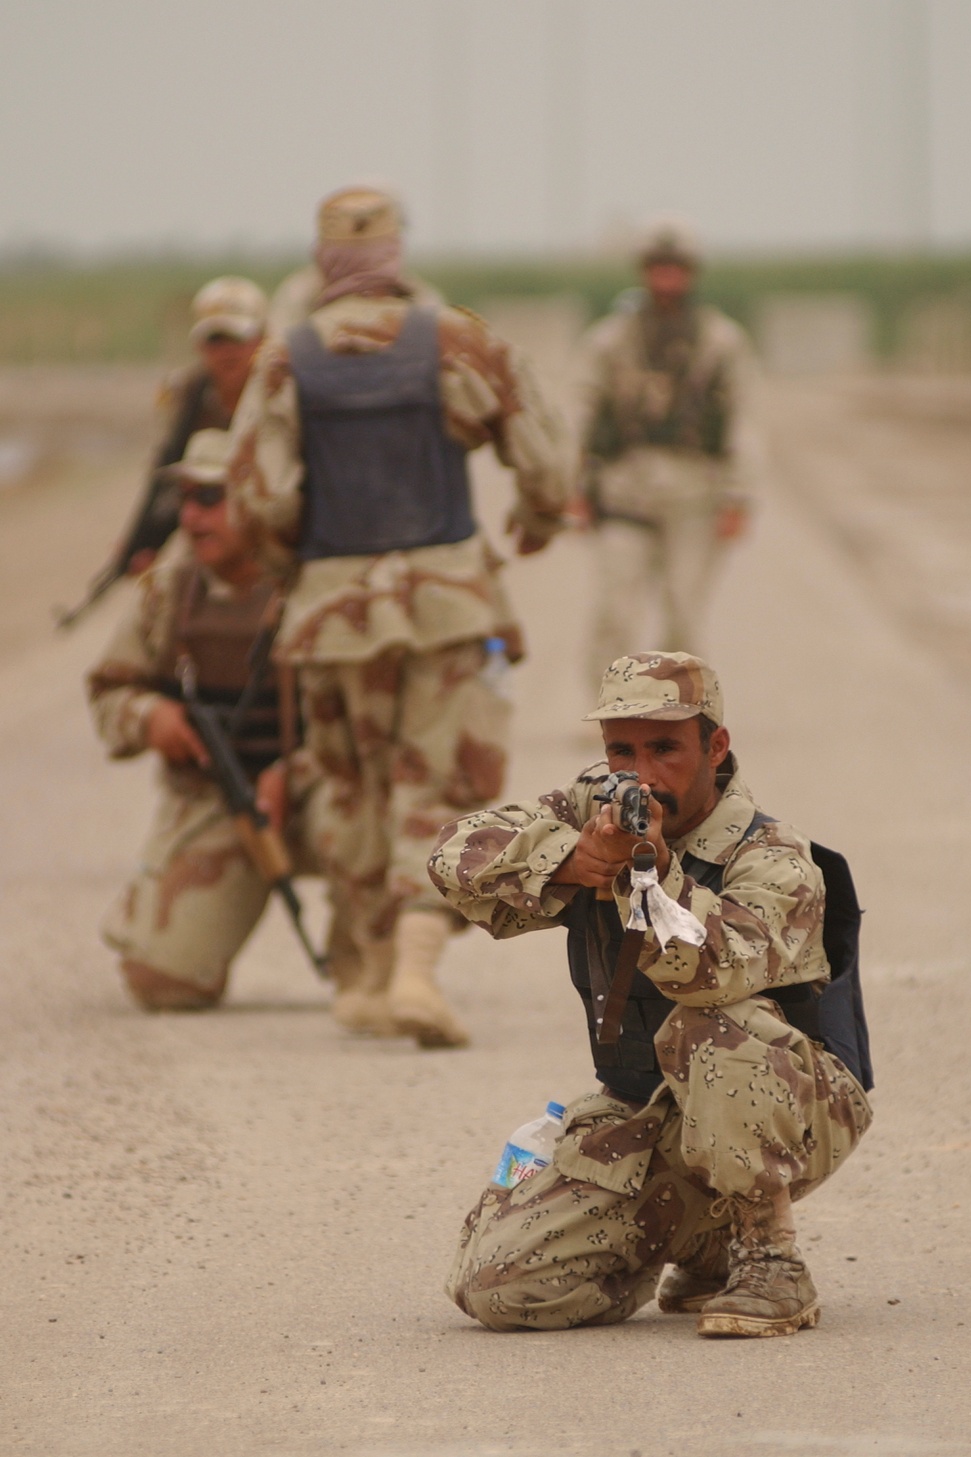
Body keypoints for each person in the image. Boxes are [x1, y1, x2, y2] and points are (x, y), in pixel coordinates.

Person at [430, 651, 873, 1338]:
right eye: (623, 750)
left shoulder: (773, 856)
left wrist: (656, 876)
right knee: (496, 1286)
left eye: (665, 748)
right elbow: (454, 853)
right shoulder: (598, 805)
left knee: (708, 1025)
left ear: (715, 746)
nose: (643, 770)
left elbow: (716, 969)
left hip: (798, 1103)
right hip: (655, 1103)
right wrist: (571, 860)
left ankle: (770, 1259)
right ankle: (699, 1241)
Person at [226, 184, 569, 1050]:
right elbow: (543, 452)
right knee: (439, 778)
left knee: (351, 786)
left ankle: (367, 975)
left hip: (332, 616)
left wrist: (301, 573)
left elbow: (257, 495)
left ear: (322, 259)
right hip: (446, 604)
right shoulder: (457, 339)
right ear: (396, 254)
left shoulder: (285, 358)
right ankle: (417, 967)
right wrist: (535, 520)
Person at [88, 428, 377, 1021]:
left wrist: (291, 771)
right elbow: (108, 687)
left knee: (368, 809)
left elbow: (369, 722)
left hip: (322, 787)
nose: (191, 518)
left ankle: (368, 956)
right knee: (161, 982)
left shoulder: (316, 586)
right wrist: (150, 717)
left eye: (210, 499)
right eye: (185, 500)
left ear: (257, 501)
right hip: (219, 800)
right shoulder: (170, 590)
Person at [577, 219, 763, 683]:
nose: (667, 278)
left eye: (676, 267)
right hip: (625, 487)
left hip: (695, 489)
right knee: (616, 609)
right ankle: (609, 708)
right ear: (644, 271)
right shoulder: (610, 340)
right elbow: (580, 412)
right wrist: (575, 486)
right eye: (658, 267)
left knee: (684, 612)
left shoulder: (721, 342)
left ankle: (681, 715)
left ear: (692, 273)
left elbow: (746, 419)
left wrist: (739, 495)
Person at [124, 276, 269, 575]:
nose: (226, 351)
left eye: (237, 338)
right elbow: (166, 475)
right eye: (215, 340)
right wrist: (144, 544)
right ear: (200, 345)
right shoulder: (189, 397)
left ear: (262, 340)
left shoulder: (280, 395)